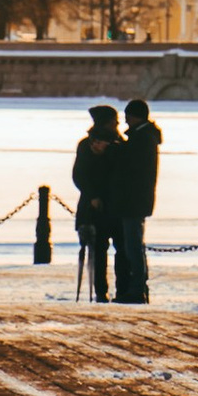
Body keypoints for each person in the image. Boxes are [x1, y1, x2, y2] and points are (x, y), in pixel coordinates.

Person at [109, 94, 162, 305]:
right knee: (134, 245)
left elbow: (131, 163)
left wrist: (111, 149)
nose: (125, 120)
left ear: (136, 117)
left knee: (133, 247)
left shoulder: (142, 139)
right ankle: (138, 287)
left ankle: (137, 289)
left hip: (134, 200)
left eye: (128, 116)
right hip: (136, 199)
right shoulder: (144, 137)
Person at [72, 102, 121, 302]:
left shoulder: (119, 144)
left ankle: (122, 289)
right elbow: (79, 175)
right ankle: (101, 290)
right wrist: (92, 196)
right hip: (93, 206)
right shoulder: (86, 145)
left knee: (119, 248)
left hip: (115, 204)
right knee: (98, 250)